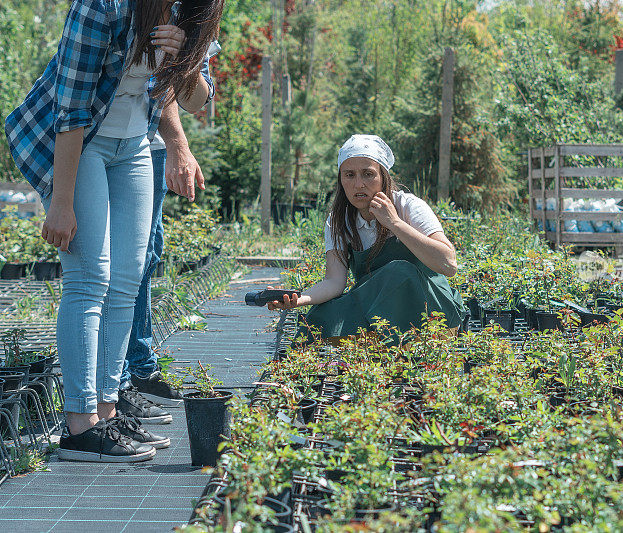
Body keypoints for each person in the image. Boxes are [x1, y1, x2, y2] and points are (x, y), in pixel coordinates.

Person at [4, 0, 223, 462]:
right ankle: (80, 425)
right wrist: (61, 201)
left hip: (135, 144)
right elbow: (70, 106)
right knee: (90, 279)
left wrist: (183, 59)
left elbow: (200, 100)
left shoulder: (190, 11)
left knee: (127, 277)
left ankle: (107, 411)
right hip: (82, 141)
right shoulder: (104, 5)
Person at [267, 134, 466, 342]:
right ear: (341, 180)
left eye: (368, 174)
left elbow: (449, 264)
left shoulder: (408, 207)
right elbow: (334, 282)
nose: (359, 184)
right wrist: (297, 300)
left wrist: (394, 223)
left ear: (383, 177)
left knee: (398, 272)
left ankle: (390, 341)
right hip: (377, 305)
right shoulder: (339, 221)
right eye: (350, 175)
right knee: (319, 319)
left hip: (429, 306)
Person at [117, 40, 222, 425]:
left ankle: (139, 367)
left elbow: (198, 97)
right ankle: (118, 381)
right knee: (123, 262)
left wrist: (188, 54)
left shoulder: (200, 17)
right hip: (116, 138)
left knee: (147, 254)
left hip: (152, 142)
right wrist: (179, 141)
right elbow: (153, 82)